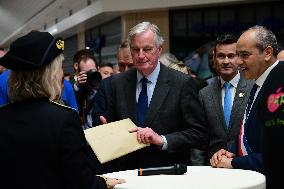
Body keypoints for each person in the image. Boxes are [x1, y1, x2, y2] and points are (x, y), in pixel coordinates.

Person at [0, 31, 124, 189]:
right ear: (49, 74)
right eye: (59, 67)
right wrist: (103, 182)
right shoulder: (63, 119)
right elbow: (81, 182)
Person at [99, 22, 207, 171]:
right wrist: (107, 131)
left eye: (147, 49)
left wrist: (162, 140)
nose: (141, 55)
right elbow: (111, 124)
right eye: (136, 50)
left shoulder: (181, 83)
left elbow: (198, 133)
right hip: (127, 174)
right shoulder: (118, 83)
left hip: (167, 173)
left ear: (159, 49)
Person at [210, 26, 281, 175]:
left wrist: (234, 162)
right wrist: (231, 153)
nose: (239, 62)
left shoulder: (279, 84)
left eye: (245, 55)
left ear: (267, 53)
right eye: (238, 55)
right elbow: (250, 135)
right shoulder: (259, 83)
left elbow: (276, 155)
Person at [191, 34, 253, 165]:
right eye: (221, 56)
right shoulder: (204, 94)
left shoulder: (252, 88)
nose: (226, 61)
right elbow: (199, 138)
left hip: (245, 165)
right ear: (214, 60)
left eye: (231, 56)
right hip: (213, 169)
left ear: (239, 58)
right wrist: (199, 171)